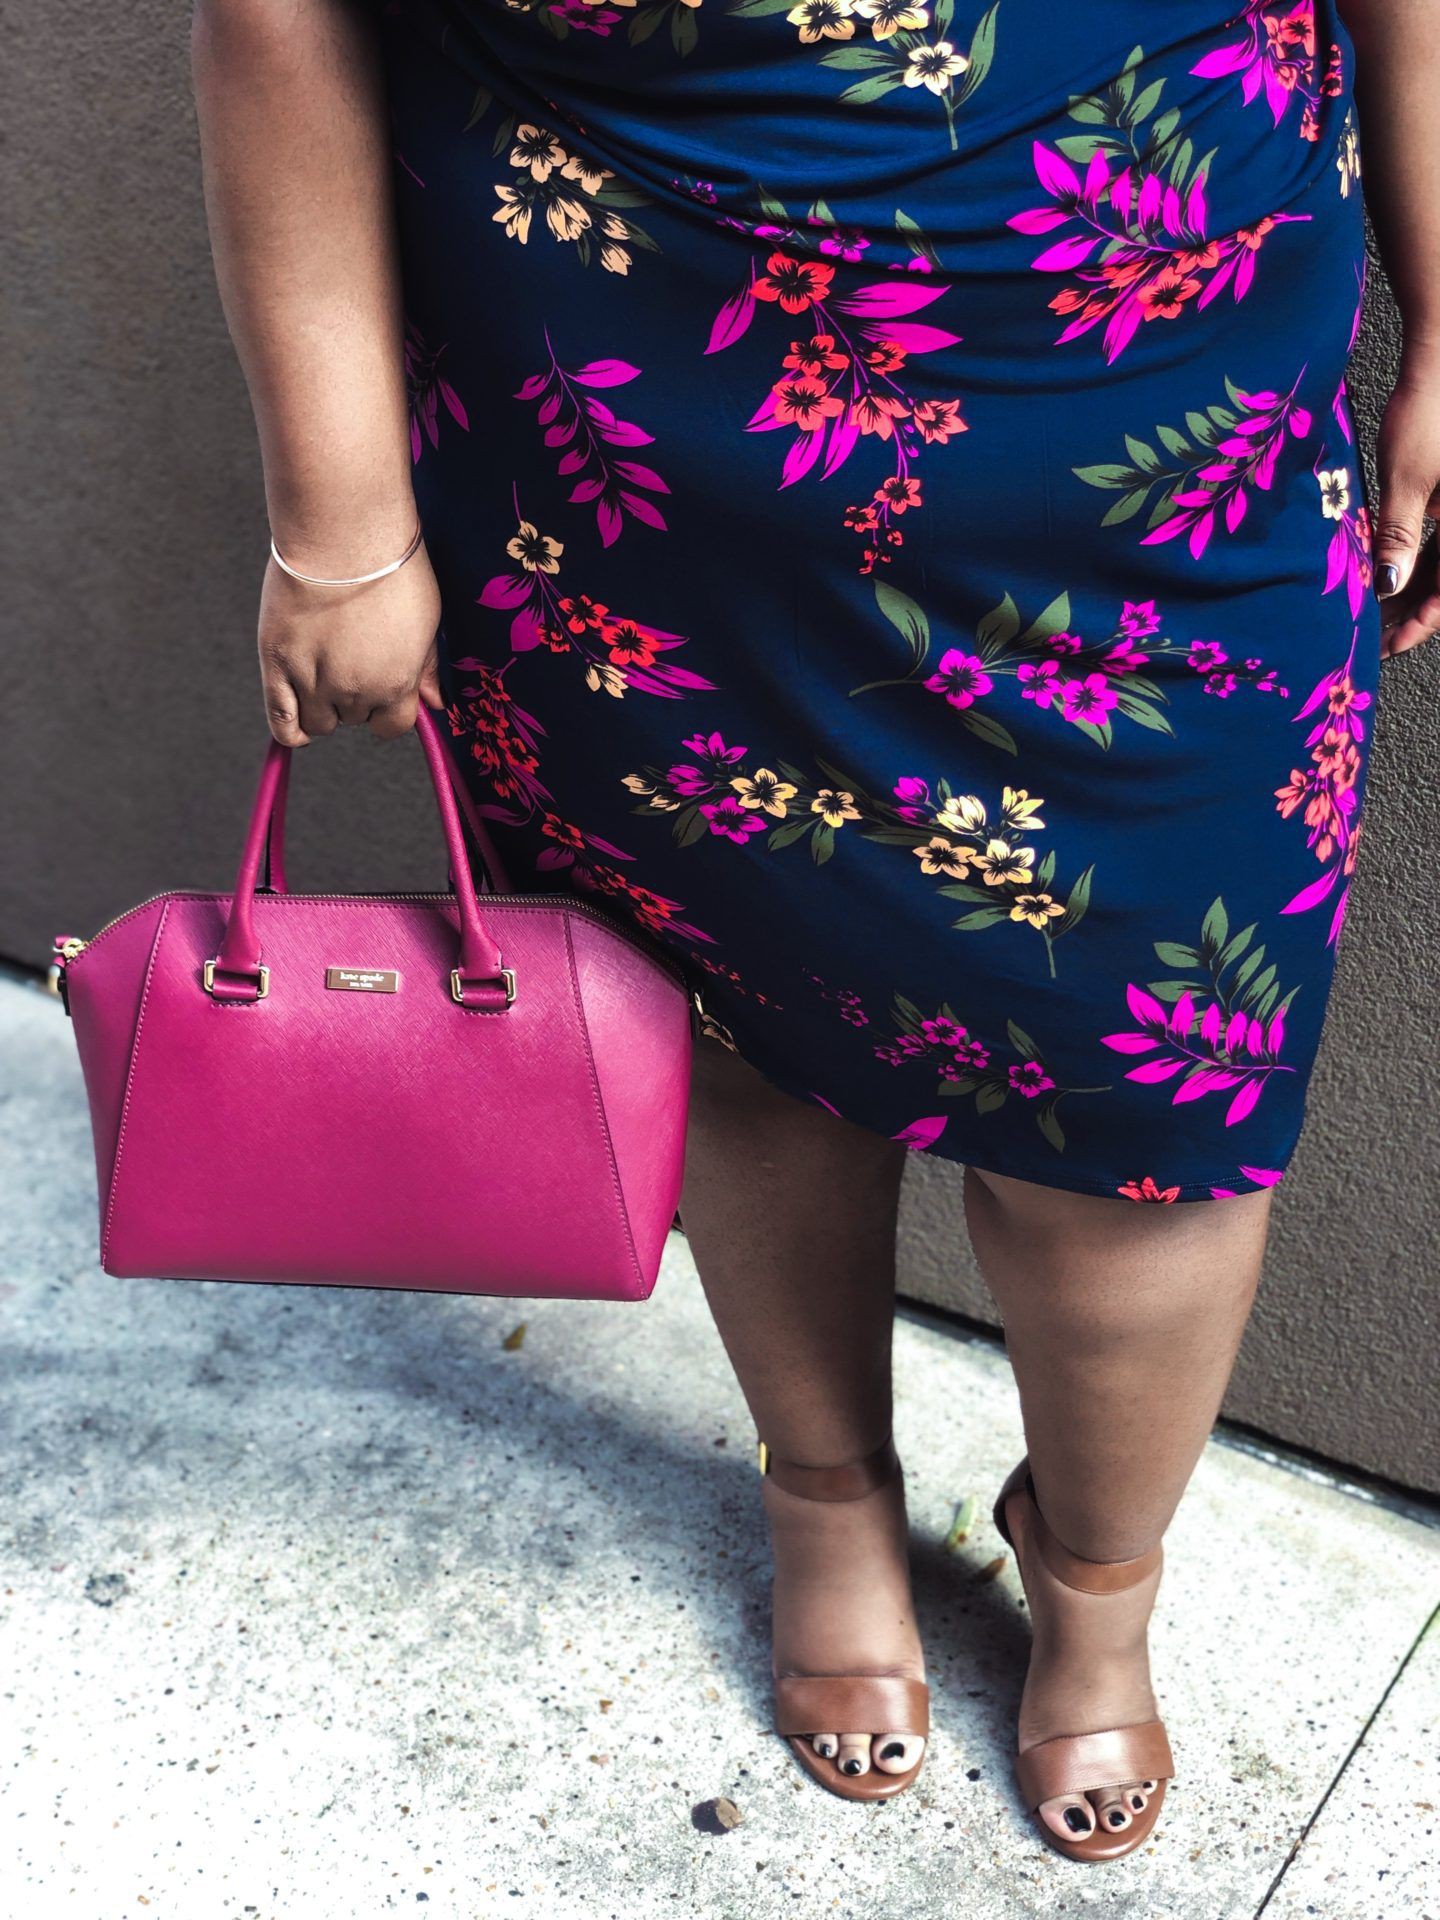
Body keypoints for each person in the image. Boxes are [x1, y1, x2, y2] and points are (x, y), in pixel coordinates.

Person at [191, 0, 1438, 1861]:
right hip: (633, 429)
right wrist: (339, 514)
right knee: (739, 1025)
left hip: (1164, 413)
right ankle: (826, 1489)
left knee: (1153, 1104)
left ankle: (1094, 1576)